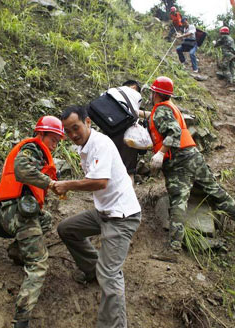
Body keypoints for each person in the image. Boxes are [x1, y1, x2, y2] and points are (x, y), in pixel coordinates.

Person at [54, 105, 141, 328]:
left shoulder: (100, 144)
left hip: (122, 216)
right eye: (68, 131)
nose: (73, 135)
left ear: (88, 122)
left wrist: (66, 185)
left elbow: (100, 182)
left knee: (110, 273)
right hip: (104, 212)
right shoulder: (85, 147)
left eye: (76, 128)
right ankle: (93, 270)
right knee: (67, 229)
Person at [147, 76, 235, 253]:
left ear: (156, 93)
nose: (150, 94)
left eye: (152, 92)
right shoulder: (170, 107)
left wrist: (160, 153)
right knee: (216, 191)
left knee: (178, 201)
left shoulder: (160, 111)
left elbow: (173, 131)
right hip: (193, 156)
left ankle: (173, 249)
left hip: (177, 161)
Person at [0, 116, 64, 328]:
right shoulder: (33, 148)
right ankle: (21, 320)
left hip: (10, 212)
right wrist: (50, 183)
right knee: (38, 264)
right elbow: (23, 171)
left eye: (58, 141)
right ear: (40, 134)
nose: (55, 144)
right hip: (19, 214)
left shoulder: (31, 151)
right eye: (53, 139)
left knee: (47, 219)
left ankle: (17, 252)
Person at [104, 80, 142, 180]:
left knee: (109, 168)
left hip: (109, 130)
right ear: (134, 87)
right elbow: (136, 113)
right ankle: (128, 195)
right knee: (128, 171)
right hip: (127, 134)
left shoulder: (110, 92)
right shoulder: (135, 94)